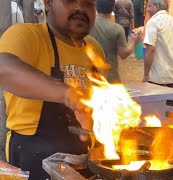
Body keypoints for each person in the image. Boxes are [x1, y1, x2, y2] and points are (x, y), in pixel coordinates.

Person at [0, 0, 106, 179]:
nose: (80, 7)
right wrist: (68, 94)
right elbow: (3, 69)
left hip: (83, 159)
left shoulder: (94, 48)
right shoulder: (27, 35)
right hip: (34, 158)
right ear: (48, 3)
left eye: (89, 3)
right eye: (70, 0)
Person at [90, 0, 141, 83]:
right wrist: (134, 42)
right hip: (110, 77)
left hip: (91, 76)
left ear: (96, 6)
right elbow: (123, 54)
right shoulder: (117, 29)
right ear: (113, 8)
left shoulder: (88, 25)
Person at [143, 0, 173, 89]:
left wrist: (146, 74)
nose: (147, 10)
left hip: (157, 77)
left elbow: (151, 49)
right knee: (170, 102)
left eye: (150, 6)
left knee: (156, 102)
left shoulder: (153, 22)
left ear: (157, 6)